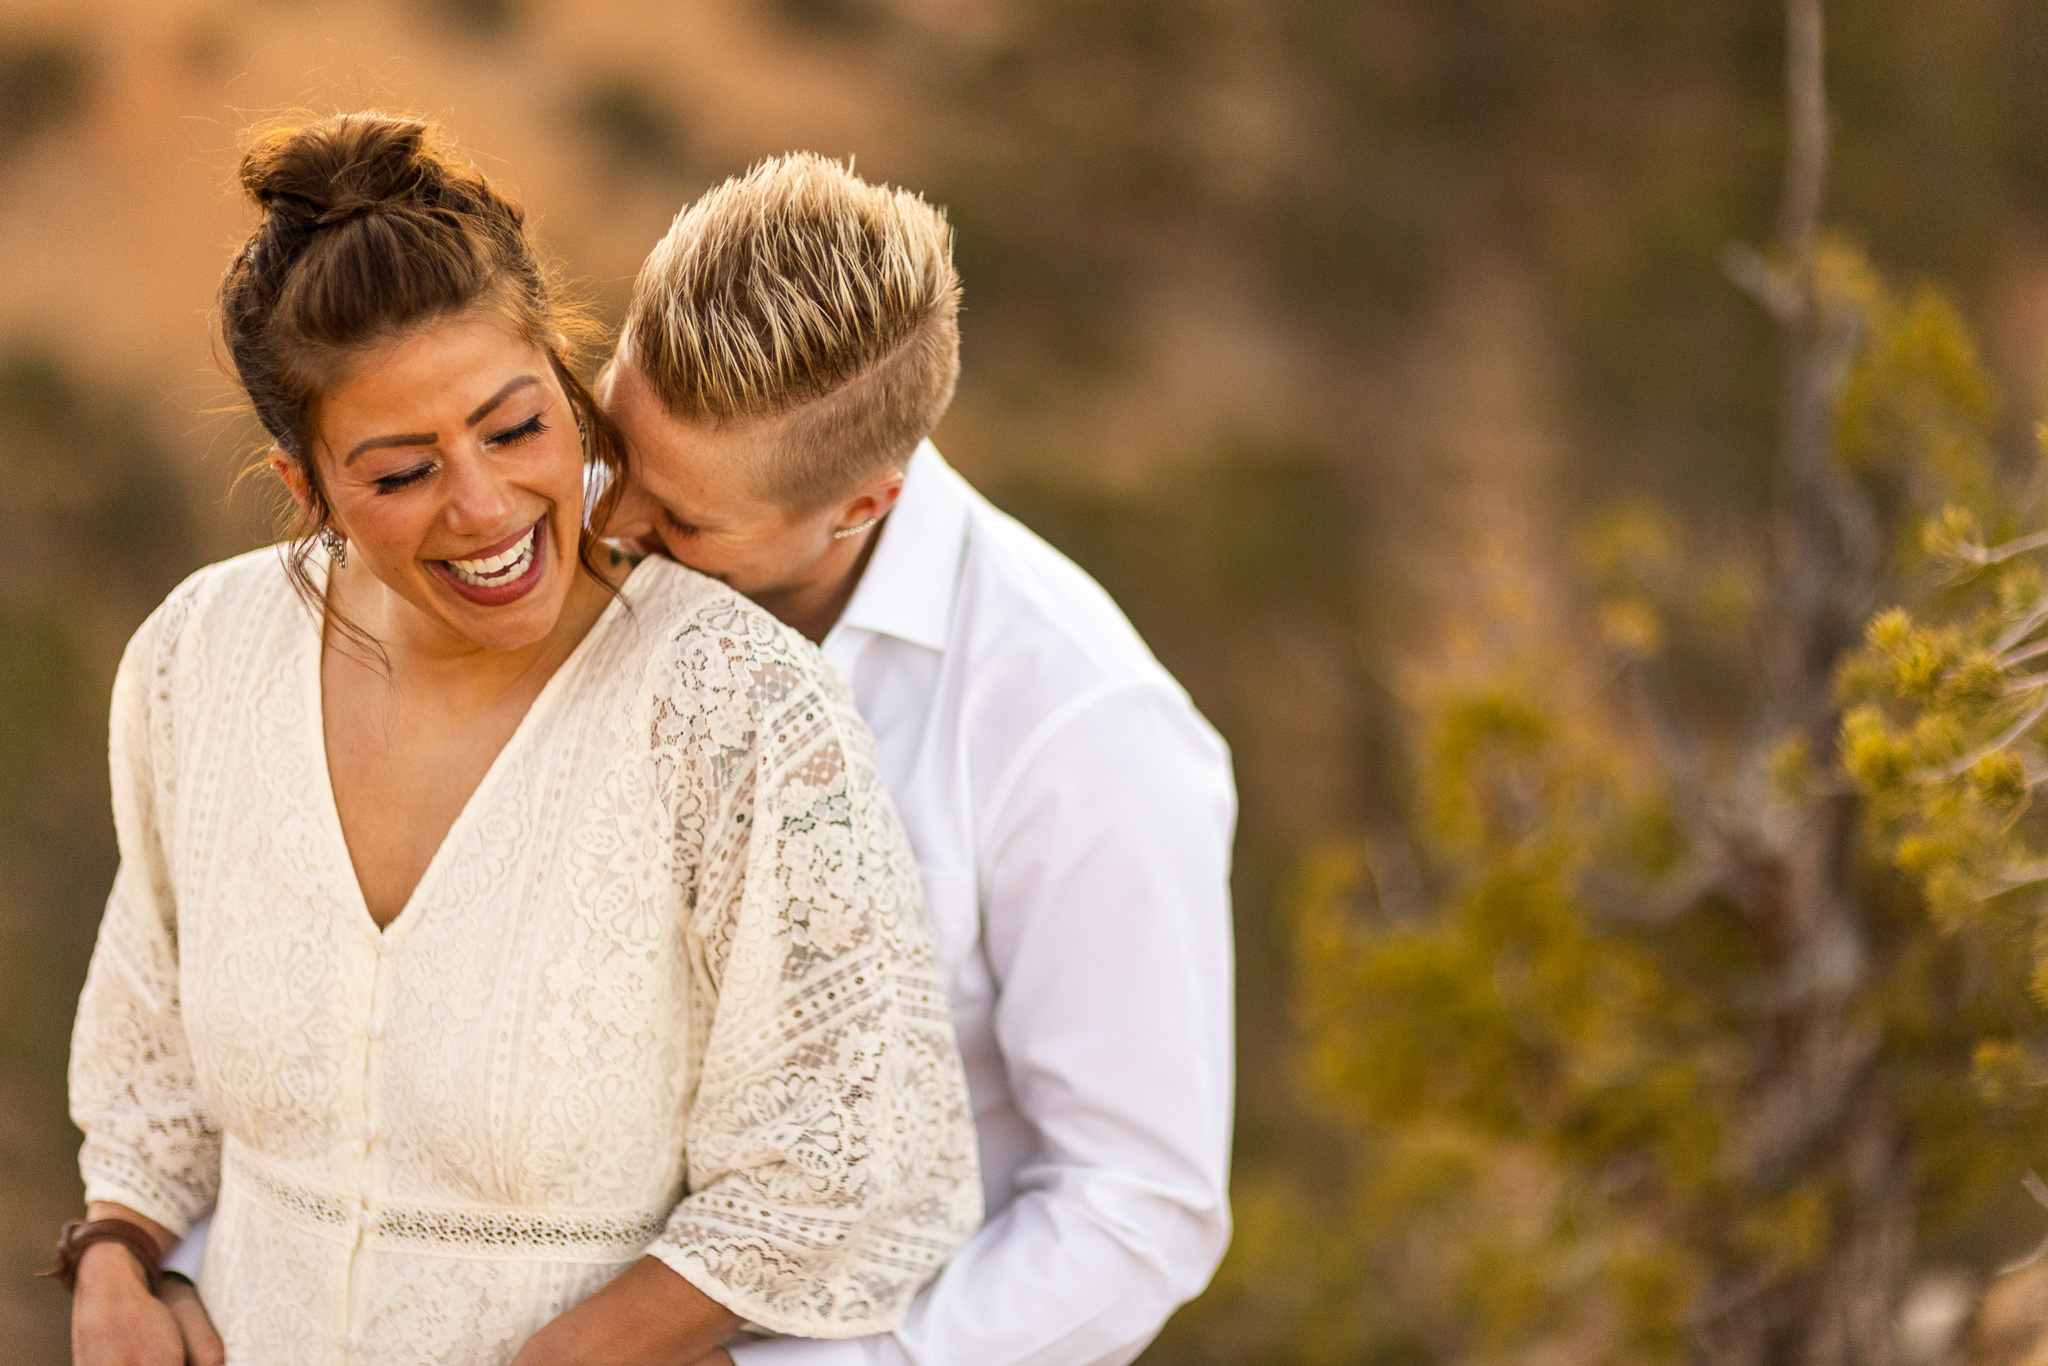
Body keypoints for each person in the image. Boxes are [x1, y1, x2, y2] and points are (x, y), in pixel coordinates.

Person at [57, 114, 978, 1366]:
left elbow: (828, 1169)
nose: (485, 507)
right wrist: (115, 1254)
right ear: (305, 488)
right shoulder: (197, 658)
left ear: (568, 372)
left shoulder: (740, 708)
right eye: (398, 473)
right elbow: (149, 1032)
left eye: (513, 427)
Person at [599, 155, 1238, 1366]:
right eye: (610, 444)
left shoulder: (1081, 731)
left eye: (682, 520)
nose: (612, 523)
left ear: (863, 503)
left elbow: (1135, 1208)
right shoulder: (563, 546)